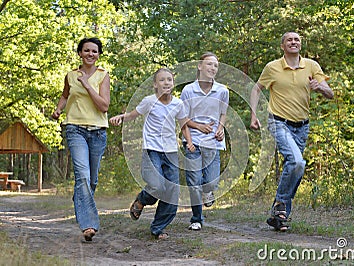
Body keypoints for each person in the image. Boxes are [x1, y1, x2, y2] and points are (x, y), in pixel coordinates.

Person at [250, 32, 334, 232]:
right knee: (296, 162)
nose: (293, 42)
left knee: (296, 167)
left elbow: (330, 93)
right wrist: (254, 114)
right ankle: (281, 206)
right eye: (289, 40)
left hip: (302, 126)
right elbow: (256, 89)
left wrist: (319, 87)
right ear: (283, 46)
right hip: (278, 122)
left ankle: (279, 215)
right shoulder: (272, 67)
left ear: (300, 44)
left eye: (297, 40)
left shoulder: (312, 66)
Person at [109, 68, 195, 240]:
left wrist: (189, 142)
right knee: (157, 186)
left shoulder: (178, 104)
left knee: (171, 193)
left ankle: (158, 228)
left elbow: (183, 124)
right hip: (152, 150)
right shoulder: (149, 101)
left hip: (170, 151)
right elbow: (133, 115)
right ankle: (141, 200)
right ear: (155, 84)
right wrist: (120, 117)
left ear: (173, 83)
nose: (166, 83)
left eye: (169, 80)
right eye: (162, 80)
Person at [52, 37, 110, 241]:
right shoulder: (70, 75)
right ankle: (88, 225)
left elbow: (104, 106)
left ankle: (80, 198)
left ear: (98, 55)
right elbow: (65, 95)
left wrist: (86, 84)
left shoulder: (103, 75)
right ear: (80, 53)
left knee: (91, 180)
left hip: (98, 131)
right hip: (75, 129)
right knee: (83, 176)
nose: (90, 54)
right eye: (86, 50)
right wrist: (59, 109)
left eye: (94, 51)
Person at [181, 52, 229, 231]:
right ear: (200, 66)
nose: (212, 68)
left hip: (213, 142)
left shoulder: (222, 91)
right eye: (209, 64)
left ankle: (208, 192)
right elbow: (182, 118)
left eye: (215, 66)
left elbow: (223, 113)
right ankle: (196, 219)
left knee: (210, 182)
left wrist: (221, 127)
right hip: (192, 141)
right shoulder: (188, 90)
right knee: (194, 182)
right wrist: (199, 126)